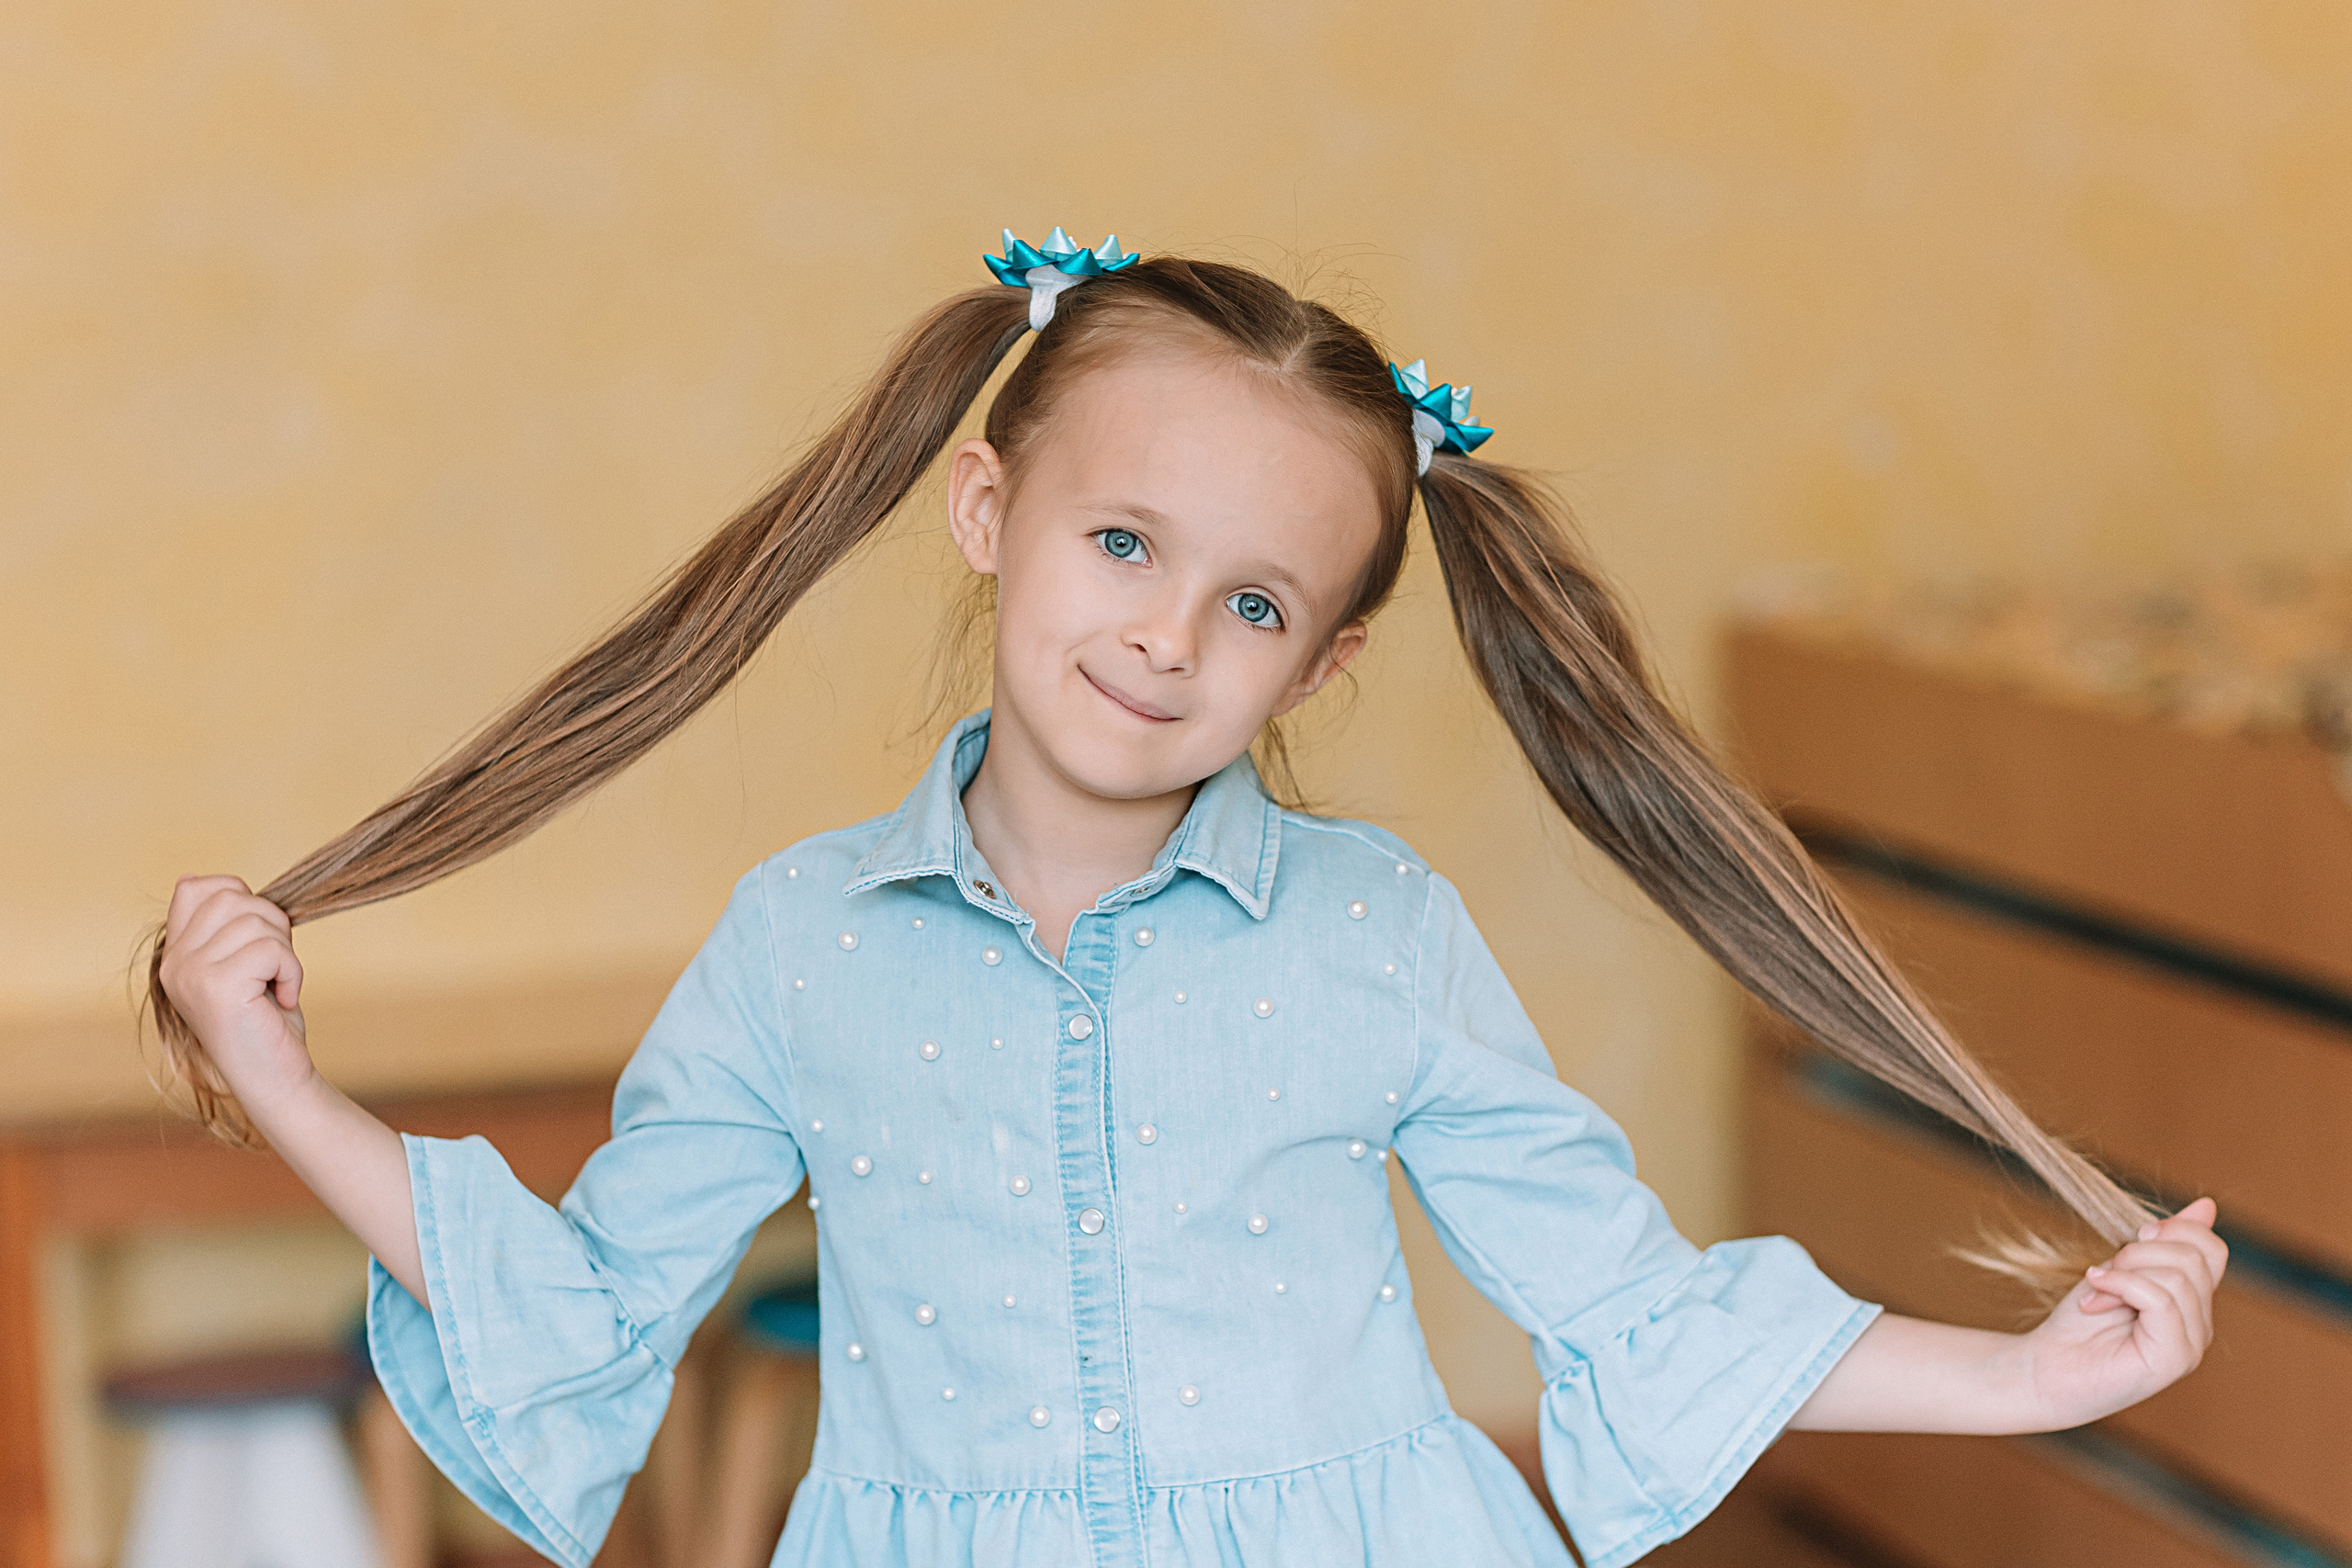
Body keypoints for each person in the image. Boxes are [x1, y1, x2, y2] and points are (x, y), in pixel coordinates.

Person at [149, 229, 2227, 1568]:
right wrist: (283, 1078)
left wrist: (2027, 1373)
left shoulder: (1377, 935)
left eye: (1249, 599)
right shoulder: (798, 945)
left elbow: (1627, 1309)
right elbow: (592, 1306)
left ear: (1319, 662)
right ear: (988, 509)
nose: (1164, 635)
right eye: (1123, 541)